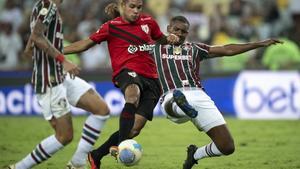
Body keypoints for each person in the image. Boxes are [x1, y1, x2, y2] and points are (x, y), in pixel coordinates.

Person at [152, 16, 282, 169]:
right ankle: (180, 105)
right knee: (172, 103)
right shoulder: (154, 47)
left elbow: (227, 49)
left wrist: (259, 44)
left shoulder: (194, 48)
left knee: (227, 146)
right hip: (171, 93)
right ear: (168, 29)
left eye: (184, 32)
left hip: (198, 95)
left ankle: (195, 155)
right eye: (176, 30)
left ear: (188, 33)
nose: (180, 34)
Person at [63, 0, 179, 168]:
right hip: (126, 72)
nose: (136, 11)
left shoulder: (148, 22)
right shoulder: (111, 27)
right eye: (132, 6)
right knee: (133, 94)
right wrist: (57, 49)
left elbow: (161, 40)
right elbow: (85, 44)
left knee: (134, 129)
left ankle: (96, 155)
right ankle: (121, 146)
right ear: (122, 6)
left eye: (139, 7)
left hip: (152, 78)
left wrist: (170, 39)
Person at [5, 0, 110, 169]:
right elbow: (38, 36)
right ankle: (18, 167)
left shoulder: (42, 6)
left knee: (101, 110)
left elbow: (34, 36)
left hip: (60, 75)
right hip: (50, 79)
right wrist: (64, 60)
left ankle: (77, 163)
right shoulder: (48, 5)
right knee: (64, 136)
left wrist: (29, 47)